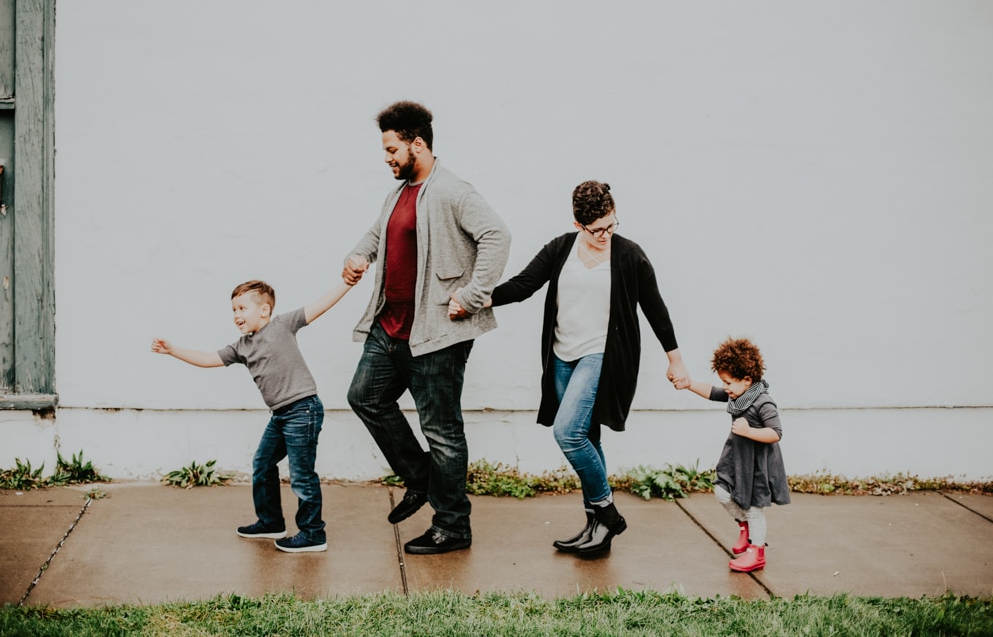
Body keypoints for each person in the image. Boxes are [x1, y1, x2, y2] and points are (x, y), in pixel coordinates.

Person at [450, 180, 690, 554]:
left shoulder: (629, 255)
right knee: (588, 438)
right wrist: (476, 300)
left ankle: (608, 514)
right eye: (597, 230)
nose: (606, 235)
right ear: (579, 224)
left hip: (601, 355)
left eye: (612, 225)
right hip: (562, 357)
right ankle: (596, 529)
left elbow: (655, 308)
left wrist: (674, 358)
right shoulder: (562, 248)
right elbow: (524, 285)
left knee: (568, 433)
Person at [343, 101, 511, 555]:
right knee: (365, 398)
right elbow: (379, 233)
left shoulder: (453, 191)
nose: (386, 157)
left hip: (435, 333)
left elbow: (497, 235)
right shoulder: (399, 192)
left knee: (442, 431)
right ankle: (421, 480)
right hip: (390, 327)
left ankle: (453, 525)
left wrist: (473, 295)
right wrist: (358, 255)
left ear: (417, 144)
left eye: (392, 148)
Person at [151, 279, 352, 553]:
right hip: (280, 415)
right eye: (233, 310)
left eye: (242, 308)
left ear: (264, 310)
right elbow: (208, 358)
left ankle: (313, 533)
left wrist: (347, 283)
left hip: (303, 410)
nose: (236, 315)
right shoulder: (241, 347)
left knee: (302, 475)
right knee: (263, 463)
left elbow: (320, 305)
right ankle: (271, 522)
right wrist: (173, 350)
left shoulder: (283, 324)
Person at [678, 337, 789, 572]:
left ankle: (756, 551)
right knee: (722, 492)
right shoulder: (738, 395)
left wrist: (749, 431)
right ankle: (744, 527)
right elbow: (712, 392)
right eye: (723, 382)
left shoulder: (763, 402)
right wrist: (689, 384)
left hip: (756, 463)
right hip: (737, 458)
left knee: (753, 508)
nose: (725, 387)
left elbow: (776, 433)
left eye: (728, 382)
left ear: (747, 379)